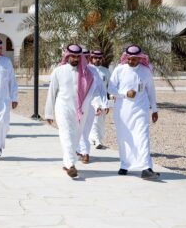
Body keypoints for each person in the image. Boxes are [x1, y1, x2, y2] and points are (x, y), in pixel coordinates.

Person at [46, 44, 106, 178]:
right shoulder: (59, 71)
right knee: (66, 134)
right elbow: (51, 92)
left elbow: (94, 92)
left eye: (78, 56)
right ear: (67, 56)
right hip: (63, 107)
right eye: (72, 56)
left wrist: (98, 106)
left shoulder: (88, 73)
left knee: (75, 137)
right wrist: (48, 113)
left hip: (81, 110)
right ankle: (71, 165)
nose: (75, 59)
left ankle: (67, 162)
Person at [108, 44, 161, 181]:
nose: (132, 62)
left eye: (135, 59)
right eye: (129, 59)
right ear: (126, 58)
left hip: (140, 110)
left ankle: (146, 168)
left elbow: (151, 91)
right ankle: (125, 165)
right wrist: (125, 94)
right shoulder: (119, 70)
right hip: (122, 110)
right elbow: (111, 89)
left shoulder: (145, 71)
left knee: (142, 136)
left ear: (139, 58)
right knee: (124, 137)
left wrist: (154, 109)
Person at [84, 49, 111, 150]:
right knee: (95, 119)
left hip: (103, 99)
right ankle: (97, 140)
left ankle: (95, 138)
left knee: (101, 121)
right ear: (91, 58)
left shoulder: (106, 71)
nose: (97, 60)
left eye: (99, 58)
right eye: (95, 58)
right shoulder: (88, 69)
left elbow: (109, 87)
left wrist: (109, 99)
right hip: (91, 98)